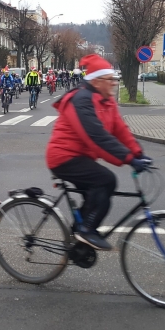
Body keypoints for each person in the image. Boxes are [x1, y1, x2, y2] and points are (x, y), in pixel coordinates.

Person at [46, 54, 147, 251]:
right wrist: (128, 159)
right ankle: (86, 230)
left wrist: (138, 153)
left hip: (81, 156)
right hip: (63, 157)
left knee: (99, 194)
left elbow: (120, 128)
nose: (114, 84)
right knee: (105, 180)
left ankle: (79, 233)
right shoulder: (81, 100)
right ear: (97, 80)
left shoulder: (105, 100)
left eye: (114, 79)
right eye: (110, 80)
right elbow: (96, 136)